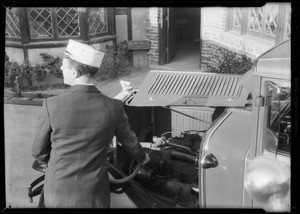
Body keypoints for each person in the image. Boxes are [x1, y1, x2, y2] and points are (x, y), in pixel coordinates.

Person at [32, 39, 150, 208]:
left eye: (64, 66)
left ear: (74, 72)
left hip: (57, 194)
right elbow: (131, 143)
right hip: (94, 196)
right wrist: (142, 156)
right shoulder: (114, 107)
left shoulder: (52, 105)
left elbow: (38, 150)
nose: (60, 69)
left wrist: (59, 163)